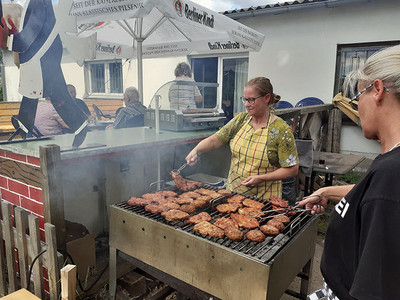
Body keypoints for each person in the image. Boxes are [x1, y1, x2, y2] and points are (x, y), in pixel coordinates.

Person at [298, 45, 400, 300]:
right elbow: (370, 194)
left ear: (377, 90)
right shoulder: (390, 164)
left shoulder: (393, 173)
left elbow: (375, 291)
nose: (356, 107)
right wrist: (327, 191)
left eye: (358, 97)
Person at [185, 77, 299, 200]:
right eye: (245, 99)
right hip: (233, 194)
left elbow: (292, 169)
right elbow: (214, 140)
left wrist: (261, 178)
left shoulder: (280, 129)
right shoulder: (240, 120)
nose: (246, 104)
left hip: (264, 199)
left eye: (251, 100)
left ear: (266, 98)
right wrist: (196, 150)